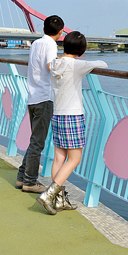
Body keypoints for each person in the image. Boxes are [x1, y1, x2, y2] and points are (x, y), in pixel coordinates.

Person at [37, 31, 107, 214]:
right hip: (73, 116)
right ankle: (48, 195)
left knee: (59, 157)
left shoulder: (55, 63)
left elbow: (52, 64)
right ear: (81, 50)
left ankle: (59, 200)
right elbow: (102, 63)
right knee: (75, 159)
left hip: (58, 114)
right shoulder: (76, 65)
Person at [16, 15, 65, 194]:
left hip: (33, 96)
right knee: (38, 142)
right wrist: (64, 63)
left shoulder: (36, 43)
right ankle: (30, 181)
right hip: (45, 97)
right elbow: (51, 66)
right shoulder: (51, 45)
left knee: (34, 140)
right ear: (61, 32)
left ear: (43, 29)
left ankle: (22, 177)